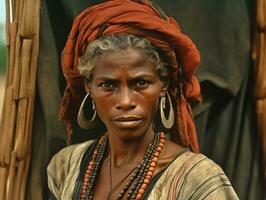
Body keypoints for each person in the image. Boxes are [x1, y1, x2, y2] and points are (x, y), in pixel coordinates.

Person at [47, 0, 239, 199]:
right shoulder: (66, 167)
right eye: (108, 85)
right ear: (89, 85)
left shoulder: (197, 181)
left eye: (140, 83)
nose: (125, 101)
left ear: (163, 84)